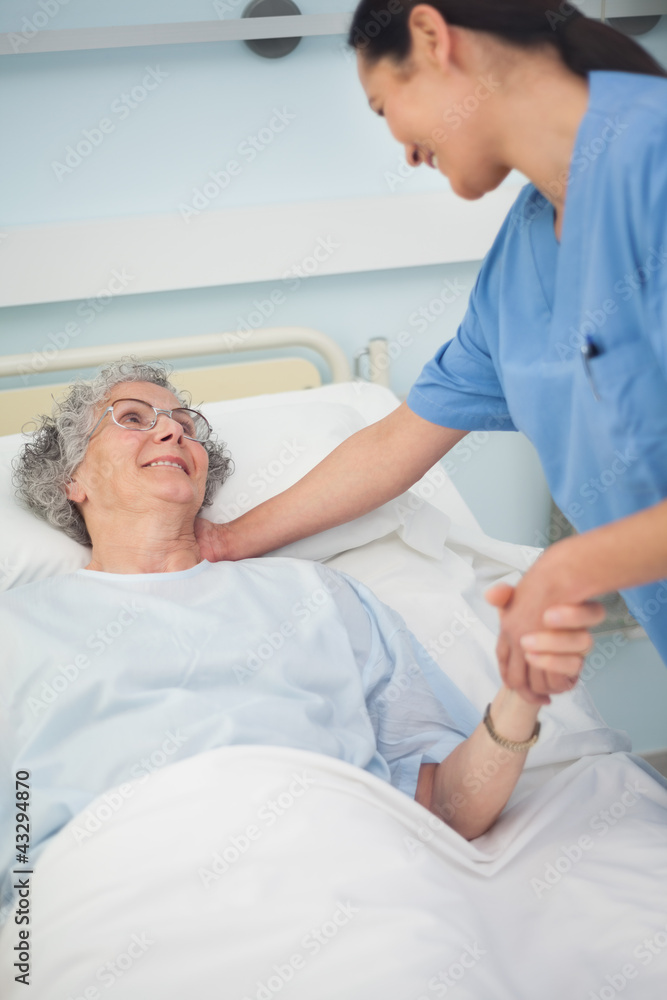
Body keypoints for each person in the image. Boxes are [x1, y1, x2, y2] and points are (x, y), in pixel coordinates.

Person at [195, 0, 667, 708]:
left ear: (430, 36)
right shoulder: (519, 263)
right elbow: (397, 441)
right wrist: (226, 543)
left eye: (386, 109)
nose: (407, 150)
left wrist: (568, 568)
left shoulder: (653, 161)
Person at [1, 357, 565, 924]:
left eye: (185, 425)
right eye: (132, 418)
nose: (172, 430)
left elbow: (446, 807)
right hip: (108, 903)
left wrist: (519, 699)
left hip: (344, 882)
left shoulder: (318, 595)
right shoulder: (19, 625)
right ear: (70, 480)